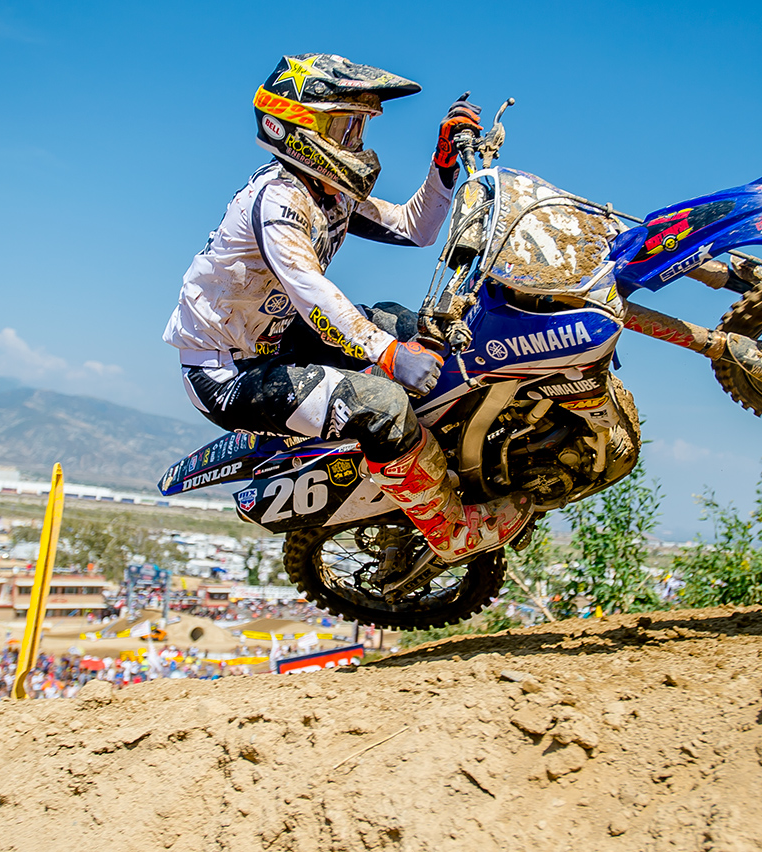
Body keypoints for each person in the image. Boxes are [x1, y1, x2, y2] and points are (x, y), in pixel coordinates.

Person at [163, 54, 531, 563]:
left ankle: (455, 454)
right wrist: (389, 355)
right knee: (381, 405)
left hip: (283, 332)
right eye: (341, 125)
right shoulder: (278, 200)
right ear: (290, 128)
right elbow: (311, 290)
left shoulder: (330, 191)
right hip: (228, 371)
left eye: (357, 126)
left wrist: (442, 167)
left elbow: (413, 228)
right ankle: (448, 532)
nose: (353, 141)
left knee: (423, 327)